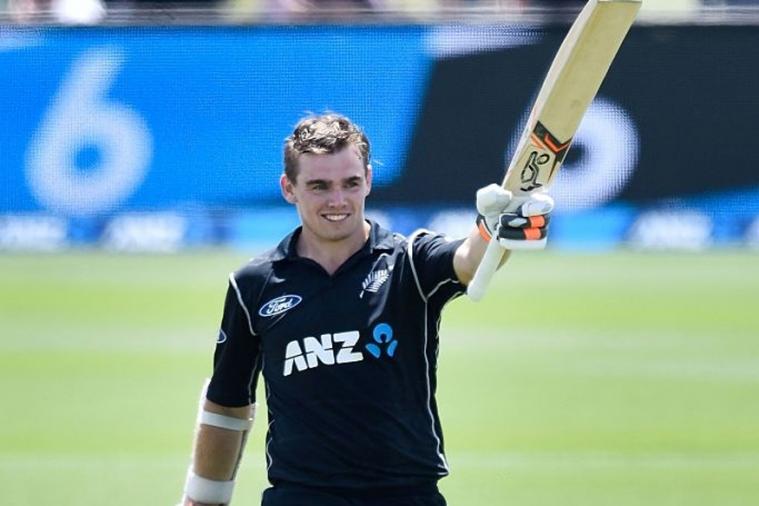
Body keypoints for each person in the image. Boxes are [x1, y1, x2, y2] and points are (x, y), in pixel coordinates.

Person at [180, 113, 553, 506]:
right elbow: (227, 402)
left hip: (405, 497)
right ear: (289, 188)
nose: (338, 201)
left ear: (369, 180)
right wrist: (203, 499)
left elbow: (468, 259)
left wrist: (494, 232)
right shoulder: (254, 285)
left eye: (351, 183)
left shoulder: (409, 262)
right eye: (319, 186)